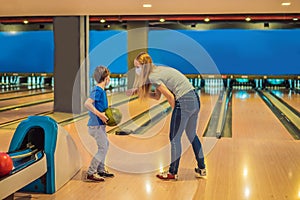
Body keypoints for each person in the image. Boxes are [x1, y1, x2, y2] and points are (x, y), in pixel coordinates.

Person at [128, 52, 206, 180]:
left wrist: (177, 113)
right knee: (192, 135)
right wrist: (137, 92)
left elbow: (170, 96)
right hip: (194, 99)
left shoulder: (153, 76)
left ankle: (172, 172)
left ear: (144, 67)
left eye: (137, 67)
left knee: (174, 138)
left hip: (184, 101)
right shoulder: (158, 71)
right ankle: (202, 168)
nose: (136, 70)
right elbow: (157, 97)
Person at [84, 66, 115, 182]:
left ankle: (101, 169)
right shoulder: (97, 90)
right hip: (95, 126)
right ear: (106, 78)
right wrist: (100, 115)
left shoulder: (101, 91)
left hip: (99, 126)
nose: (110, 79)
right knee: (102, 148)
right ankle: (91, 172)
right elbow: (87, 103)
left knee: (105, 145)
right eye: (109, 77)